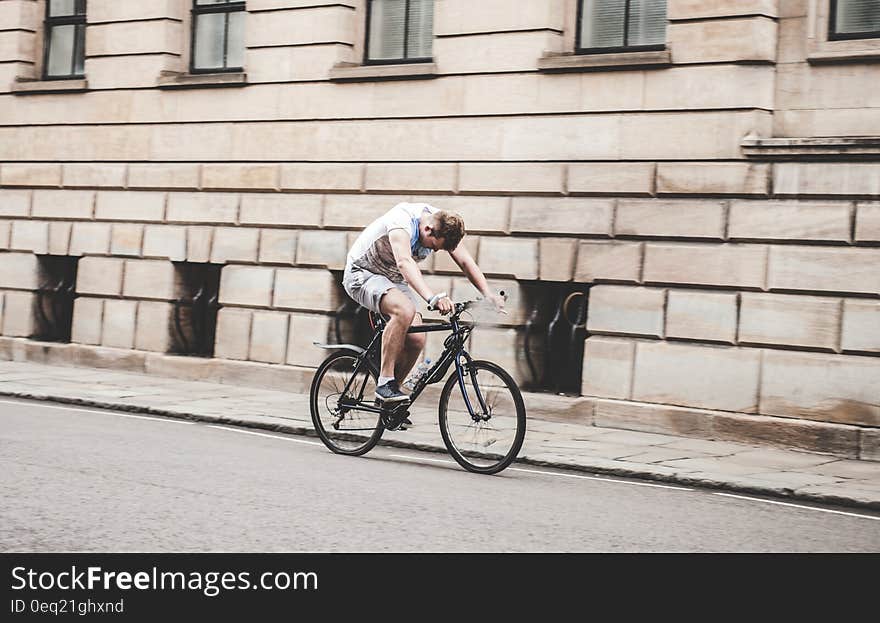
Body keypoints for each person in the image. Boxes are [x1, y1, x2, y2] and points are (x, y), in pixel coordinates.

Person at [343, 201, 505, 405]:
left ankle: (391, 399)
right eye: (435, 247)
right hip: (362, 274)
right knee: (404, 310)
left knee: (417, 339)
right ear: (428, 229)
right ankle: (384, 382)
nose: (435, 252)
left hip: (393, 279)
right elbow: (404, 261)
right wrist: (432, 297)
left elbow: (465, 262)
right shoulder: (401, 220)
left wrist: (488, 294)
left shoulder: (445, 223)